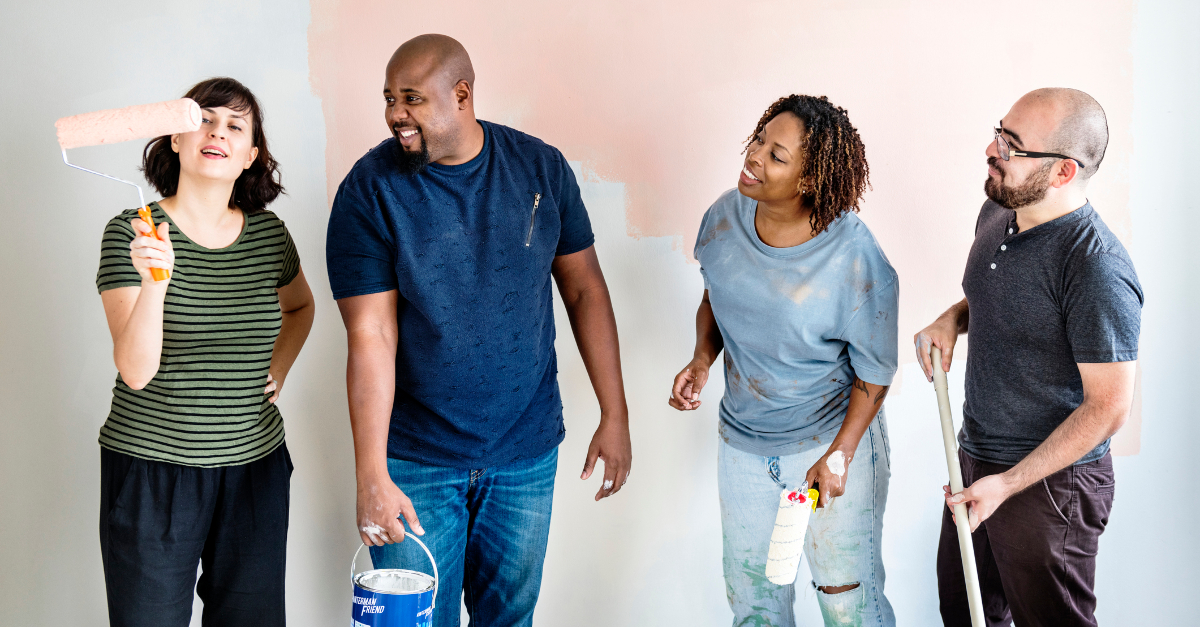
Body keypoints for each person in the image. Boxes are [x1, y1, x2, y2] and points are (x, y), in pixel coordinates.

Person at [326, 34, 632, 627]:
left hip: (525, 451)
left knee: (509, 620)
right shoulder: (370, 190)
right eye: (389, 99)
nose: (395, 115)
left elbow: (585, 290)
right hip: (415, 461)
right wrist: (371, 476)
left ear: (461, 94)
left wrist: (614, 415)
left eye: (411, 99)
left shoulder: (539, 168)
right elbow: (370, 336)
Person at [915, 88, 1141, 627]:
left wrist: (1011, 483)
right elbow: (1004, 299)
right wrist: (954, 316)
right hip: (975, 460)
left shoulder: (1096, 268)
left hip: (1050, 486)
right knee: (967, 614)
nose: (991, 151)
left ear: (1063, 172)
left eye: (1011, 146)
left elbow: (1109, 407)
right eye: (999, 132)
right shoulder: (999, 206)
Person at [670, 95, 898, 626]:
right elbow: (717, 296)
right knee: (755, 604)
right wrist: (703, 360)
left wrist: (839, 455)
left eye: (776, 156)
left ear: (811, 180)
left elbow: (875, 373)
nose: (754, 157)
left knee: (849, 606)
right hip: (743, 446)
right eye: (758, 141)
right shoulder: (724, 216)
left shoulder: (855, 257)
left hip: (829, 444)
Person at [95, 77, 315, 626]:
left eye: (235, 126)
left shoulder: (270, 237)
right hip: (154, 471)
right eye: (204, 119)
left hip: (255, 470)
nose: (217, 132)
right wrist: (156, 281)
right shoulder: (133, 231)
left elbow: (301, 307)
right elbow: (136, 371)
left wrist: (279, 367)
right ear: (176, 138)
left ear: (250, 156)